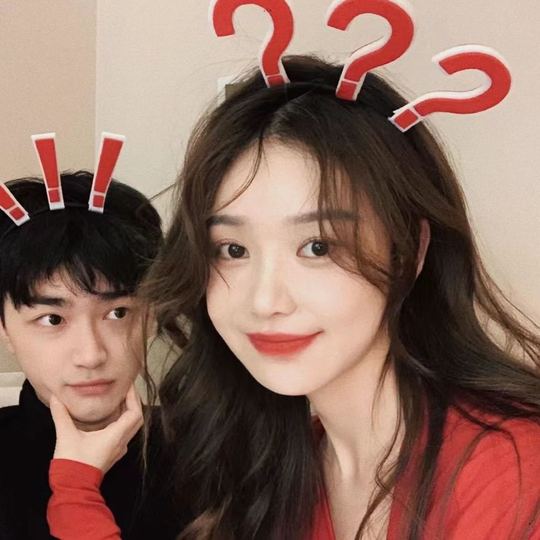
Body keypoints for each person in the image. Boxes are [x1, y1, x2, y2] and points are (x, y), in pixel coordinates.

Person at [47, 57, 540, 539]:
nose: (264, 301)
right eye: (233, 250)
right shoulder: (283, 475)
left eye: (317, 246)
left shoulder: (513, 472)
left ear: (409, 252)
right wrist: (76, 488)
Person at [0, 171, 178, 539]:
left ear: (150, 316)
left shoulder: (209, 452)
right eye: (52, 319)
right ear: (4, 330)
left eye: (118, 313)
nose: (91, 354)